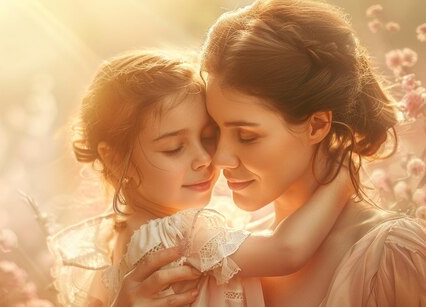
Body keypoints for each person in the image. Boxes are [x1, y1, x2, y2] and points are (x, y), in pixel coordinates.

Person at [118, 0, 426, 306]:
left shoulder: (389, 253)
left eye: (247, 136)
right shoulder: (229, 244)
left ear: (317, 125)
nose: (219, 158)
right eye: (215, 132)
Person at [48, 49, 353, 307]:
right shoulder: (178, 236)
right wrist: (342, 178)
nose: (205, 158)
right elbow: (287, 251)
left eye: (208, 137)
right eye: (174, 148)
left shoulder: (114, 234)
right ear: (115, 159)